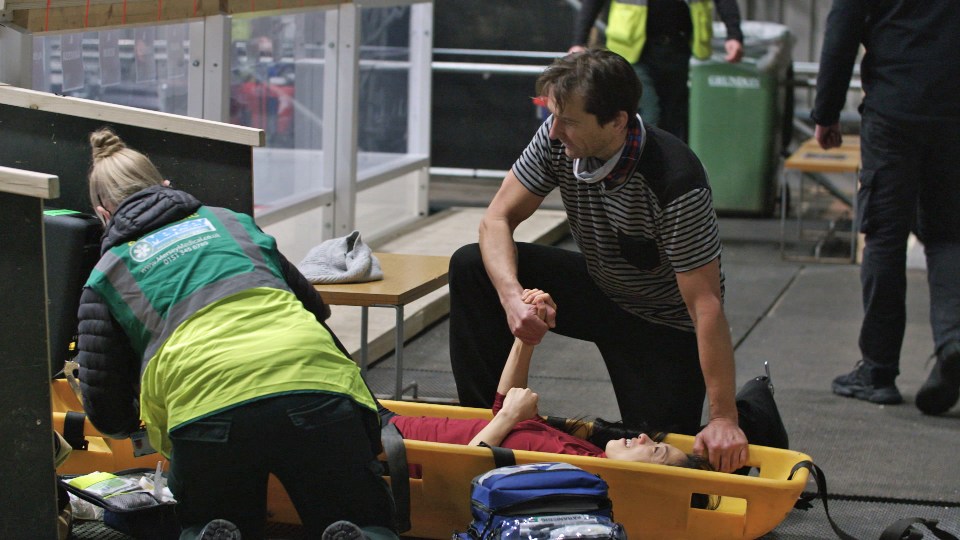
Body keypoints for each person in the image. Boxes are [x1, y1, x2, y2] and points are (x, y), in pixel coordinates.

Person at [75, 127, 398, 540]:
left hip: (205, 411)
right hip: (314, 386)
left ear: (103, 214)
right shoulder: (233, 224)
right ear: (165, 186)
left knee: (209, 523)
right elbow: (315, 309)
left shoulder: (106, 276)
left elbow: (108, 415)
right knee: (361, 519)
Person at [448, 49, 749, 473]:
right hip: (600, 289)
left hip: (662, 324)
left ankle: (752, 419)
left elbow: (705, 306)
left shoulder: (675, 180)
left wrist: (724, 418)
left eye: (569, 121)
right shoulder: (557, 140)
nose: (555, 131)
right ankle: (484, 432)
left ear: (617, 121)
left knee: (665, 464)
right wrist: (513, 299)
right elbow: (497, 219)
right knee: (472, 266)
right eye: (553, 116)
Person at [392, 290, 787, 470]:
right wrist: (528, 337)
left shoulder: (576, 474)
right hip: (392, 423)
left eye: (656, 452)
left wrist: (509, 419)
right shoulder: (583, 454)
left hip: (388, 440)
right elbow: (503, 408)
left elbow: (463, 473)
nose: (648, 438)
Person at [812, 0, 960, 414]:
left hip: (896, 108)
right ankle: (953, 341)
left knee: (884, 236)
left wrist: (825, 112)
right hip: (953, 112)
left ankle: (877, 372)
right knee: (949, 235)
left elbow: (841, 30)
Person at [569, 0, 744, 142]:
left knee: (673, 117)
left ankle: (667, 177)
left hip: (678, 46)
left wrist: (734, 34)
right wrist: (579, 41)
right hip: (634, 52)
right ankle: (643, 173)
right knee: (650, 113)